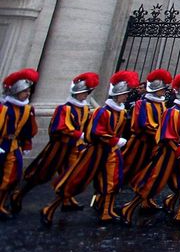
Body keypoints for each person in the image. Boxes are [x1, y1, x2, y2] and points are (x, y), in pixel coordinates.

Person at [41, 71, 138, 225]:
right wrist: (114, 140)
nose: (126, 96)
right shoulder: (102, 111)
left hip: (111, 151)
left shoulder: (121, 112)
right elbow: (95, 132)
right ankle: (50, 207)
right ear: (116, 95)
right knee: (77, 180)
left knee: (114, 180)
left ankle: (107, 210)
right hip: (98, 152)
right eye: (124, 94)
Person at [120, 72, 180, 225]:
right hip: (169, 152)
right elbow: (166, 135)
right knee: (153, 181)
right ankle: (129, 207)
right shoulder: (173, 112)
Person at [11, 72, 98, 214]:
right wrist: (78, 134)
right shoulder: (63, 109)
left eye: (86, 92)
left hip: (75, 147)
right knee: (41, 174)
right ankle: (19, 194)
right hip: (59, 148)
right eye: (83, 92)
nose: (85, 95)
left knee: (70, 174)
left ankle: (67, 199)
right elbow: (59, 127)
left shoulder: (85, 108)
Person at [120, 68, 170, 200]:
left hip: (154, 142)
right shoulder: (142, 104)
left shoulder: (162, 105)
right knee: (128, 167)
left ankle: (145, 200)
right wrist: (160, 133)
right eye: (162, 89)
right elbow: (142, 124)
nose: (164, 91)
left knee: (148, 170)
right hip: (140, 142)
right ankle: (105, 196)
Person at [0, 69, 39, 217]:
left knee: (13, 177)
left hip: (14, 146)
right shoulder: (3, 108)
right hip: (1, 145)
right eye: (24, 91)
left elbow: (29, 130)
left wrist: (27, 144)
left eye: (28, 91)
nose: (27, 94)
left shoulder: (28, 109)